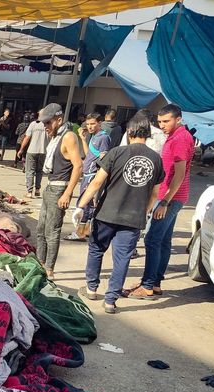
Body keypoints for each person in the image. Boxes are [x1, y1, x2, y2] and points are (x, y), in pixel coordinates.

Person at [77, 115, 164, 313]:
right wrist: (144, 212)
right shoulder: (156, 159)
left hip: (107, 213)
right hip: (133, 218)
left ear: (130, 132)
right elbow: (155, 194)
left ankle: (91, 288)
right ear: (148, 134)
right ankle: (110, 300)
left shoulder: (117, 152)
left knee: (96, 249)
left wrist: (81, 206)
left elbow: (97, 182)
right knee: (122, 258)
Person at [127, 104, 193, 299]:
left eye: (166, 121)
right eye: (160, 122)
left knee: (152, 239)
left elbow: (179, 174)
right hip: (172, 196)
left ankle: (148, 285)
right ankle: (154, 283)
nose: (162, 125)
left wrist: (164, 202)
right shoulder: (175, 137)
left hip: (170, 198)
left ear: (178, 119)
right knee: (163, 241)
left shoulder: (180, 139)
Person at [35, 103, 83, 279]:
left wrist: (68, 193)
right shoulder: (55, 136)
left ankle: (49, 269)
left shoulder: (68, 137)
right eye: (44, 123)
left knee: (52, 231)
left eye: (48, 123)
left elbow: (78, 165)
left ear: (59, 119)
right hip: (51, 186)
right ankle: (39, 262)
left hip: (60, 188)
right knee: (41, 229)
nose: (46, 127)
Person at [66, 112, 111, 241]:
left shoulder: (103, 138)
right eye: (88, 124)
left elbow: (104, 157)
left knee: (84, 203)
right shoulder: (94, 137)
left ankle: (80, 231)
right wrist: (83, 139)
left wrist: (98, 176)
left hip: (92, 175)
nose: (90, 126)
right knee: (88, 204)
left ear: (100, 123)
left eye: (93, 124)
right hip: (87, 173)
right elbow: (89, 154)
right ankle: (85, 230)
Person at [18, 112, 49, 198]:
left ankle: (29, 191)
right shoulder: (48, 124)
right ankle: (38, 190)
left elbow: (27, 137)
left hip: (32, 150)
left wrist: (21, 149)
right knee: (39, 171)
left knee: (30, 171)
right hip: (43, 151)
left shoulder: (33, 124)